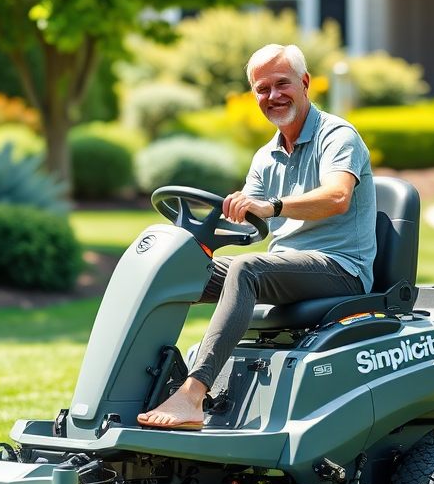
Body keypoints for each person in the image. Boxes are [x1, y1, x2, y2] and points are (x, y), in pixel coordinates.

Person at [137, 43, 377, 430]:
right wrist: (193, 242)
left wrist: (275, 206)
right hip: (286, 268)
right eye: (262, 89)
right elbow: (247, 225)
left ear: (305, 83)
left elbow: (337, 197)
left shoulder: (337, 135)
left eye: (282, 84)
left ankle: (192, 397)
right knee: (169, 271)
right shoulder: (266, 155)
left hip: (340, 269)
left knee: (248, 270)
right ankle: (138, 386)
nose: (273, 96)